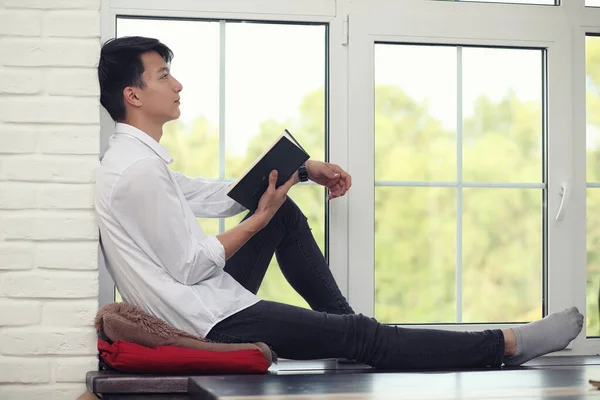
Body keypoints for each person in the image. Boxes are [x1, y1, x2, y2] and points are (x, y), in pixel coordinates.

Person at [94, 35, 583, 370]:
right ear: (133, 94)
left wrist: (302, 171)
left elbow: (216, 195)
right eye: (163, 76)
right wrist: (257, 219)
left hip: (203, 301)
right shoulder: (136, 172)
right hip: (206, 320)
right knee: (363, 331)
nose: (177, 85)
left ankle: (347, 332)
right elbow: (189, 265)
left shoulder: (138, 161)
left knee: (281, 213)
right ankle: (506, 345)